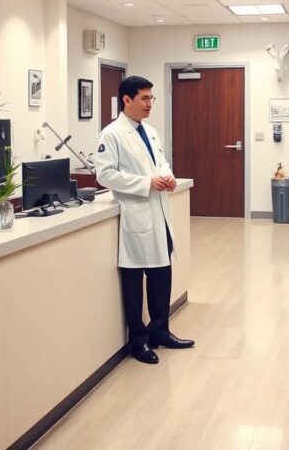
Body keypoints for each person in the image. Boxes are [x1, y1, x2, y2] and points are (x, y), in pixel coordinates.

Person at [94, 75, 194, 364]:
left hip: (159, 212)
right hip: (136, 214)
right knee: (135, 281)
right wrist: (146, 183)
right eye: (145, 98)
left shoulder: (149, 132)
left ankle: (160, 331)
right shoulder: (111, 134)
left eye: (152, 98)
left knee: (162, 274)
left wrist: (168, 178)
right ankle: (138, 341)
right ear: (127, 100)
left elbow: (161, 163)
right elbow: (106, 174)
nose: (150, 104)